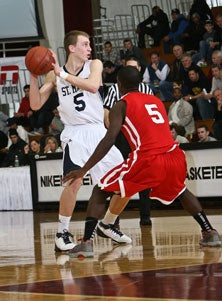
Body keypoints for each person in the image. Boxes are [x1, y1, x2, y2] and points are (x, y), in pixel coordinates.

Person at [63, 66, 221, 258]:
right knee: (181, 190)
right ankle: (209, 231)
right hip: (174, 156)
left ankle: (86, 243)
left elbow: (109, 139)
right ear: (140, 83)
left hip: (148, 158)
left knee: (100, 189)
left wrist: (83, 169)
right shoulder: (156, 100)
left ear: (119, 85)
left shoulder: (120, 105)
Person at [29, 30, 124, 252]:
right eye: (84, 44)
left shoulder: (95, 65)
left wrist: (61, 74)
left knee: (124, 183)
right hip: (75, 133)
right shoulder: (54, 75)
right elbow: (35, 104)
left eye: (89, 44)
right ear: (72, 48)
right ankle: (62, 232)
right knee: (75, 181)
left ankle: (108, 224)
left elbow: (92, 86)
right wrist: (34, 75)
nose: (89, 48)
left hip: (97, 131)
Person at [104, 56, 153, 226]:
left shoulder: (147, 89)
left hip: (141, 139)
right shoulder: (114, 91)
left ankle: (145, 217)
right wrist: (114, 131)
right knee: (120, 178)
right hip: (121, 138)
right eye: (128, 67)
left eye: (134, 67)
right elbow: (106, 113)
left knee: (144, 178)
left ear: (139, 70)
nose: (131, 70)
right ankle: (113, 220)